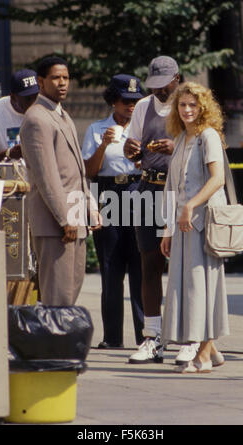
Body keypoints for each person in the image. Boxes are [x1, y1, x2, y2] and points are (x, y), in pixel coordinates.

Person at [124, 55, 197, 364]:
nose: (159, 92)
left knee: (184, 267)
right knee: (149, 265)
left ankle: (190, 338)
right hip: (149, 189)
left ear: (176, 79)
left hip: (180, 193)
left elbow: (208, 144)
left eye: (164, 86)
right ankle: (151, 338)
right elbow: (132, 146)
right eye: (153, 86)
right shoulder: (143, 106)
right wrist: (131, 149)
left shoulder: (189, 106)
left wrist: (176, 145)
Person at [20, 56, 101, 306]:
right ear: (41, 82)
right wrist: (65, 218)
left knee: (71, 290)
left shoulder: (62, 114)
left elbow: (76, 171)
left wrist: (90, 207)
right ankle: (53, 345)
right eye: (56, 78)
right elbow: (47, 177)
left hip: (74, 217)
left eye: (66, 78)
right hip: (55, 222)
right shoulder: (37, 118)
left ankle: (61, 343)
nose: (62, 83)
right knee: (57, 295)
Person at [160, 81, 229, 373]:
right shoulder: (180, 139)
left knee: (202, 287)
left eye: (193, 105)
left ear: (203, 108)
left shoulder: (208, 136)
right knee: (187, 288)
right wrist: (166, 229)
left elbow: (218, 179)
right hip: (183, 225)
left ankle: (202, 354)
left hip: (204, 223)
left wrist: (191, 206)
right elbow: (171, 187)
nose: (187, 110)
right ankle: (210, 351)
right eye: (182, 105)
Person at [82, 74, 144, 348]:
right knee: (110, 266)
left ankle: (147, 335)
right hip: (108, 192)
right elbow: (89, 171)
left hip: (139, 191)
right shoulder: (97, 129)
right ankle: (112, 338)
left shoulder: (144, 127)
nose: (130, 105)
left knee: (142, 266)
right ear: (113, 100)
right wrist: (104, 144)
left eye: (134, 100)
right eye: (124, 100)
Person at [0, 69, 39, 161]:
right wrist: (9, 153)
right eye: (27, 99)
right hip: (10, 174)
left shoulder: (45, 108)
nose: (33, 103)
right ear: (13, 97)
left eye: (36, 97)